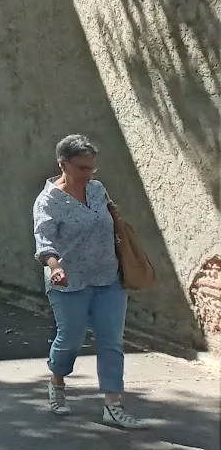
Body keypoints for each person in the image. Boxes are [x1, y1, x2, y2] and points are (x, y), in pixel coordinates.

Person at [32, 134, 143, 429]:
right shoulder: (48, 201)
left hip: (108, 277)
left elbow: (109, 220)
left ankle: (113, 405)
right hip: (69, 282)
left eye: (92, 167)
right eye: (82, 168)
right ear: (63, 164)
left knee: (111, 341)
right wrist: (54, 267)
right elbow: (44, 242)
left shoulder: (97, 189)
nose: (89, 174)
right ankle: (57, 381)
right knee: (69, 340)